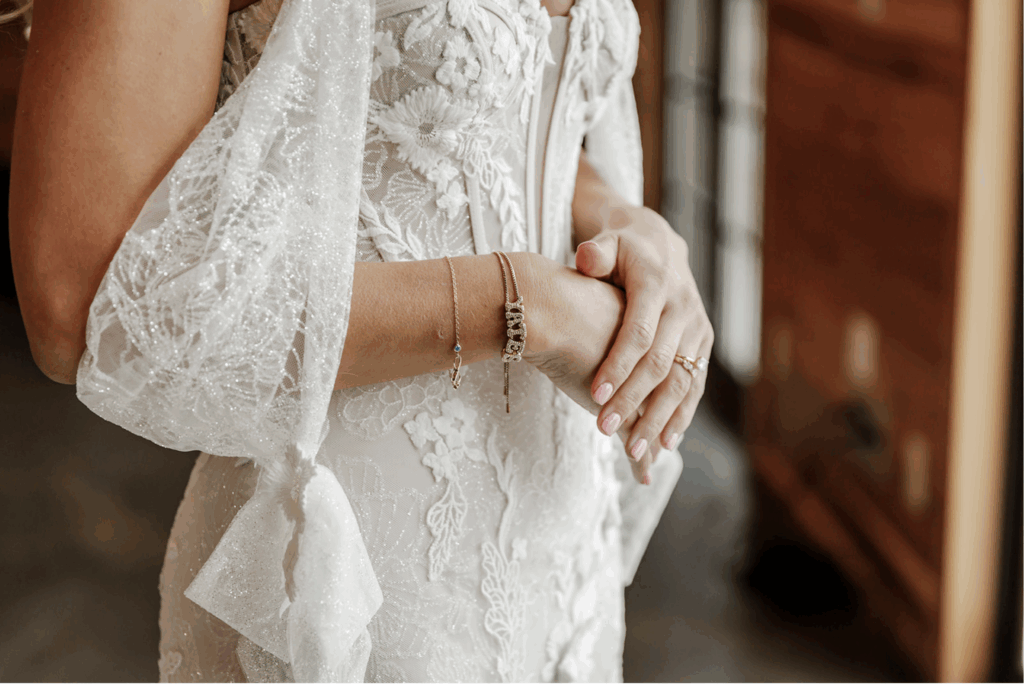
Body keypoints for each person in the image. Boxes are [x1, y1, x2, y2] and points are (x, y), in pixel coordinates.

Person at [8, 0, 714, 680]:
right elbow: (83, 302)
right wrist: (526, 305)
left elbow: (483, 108)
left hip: (562, 565)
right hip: (358, 580)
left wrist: (622, 222)